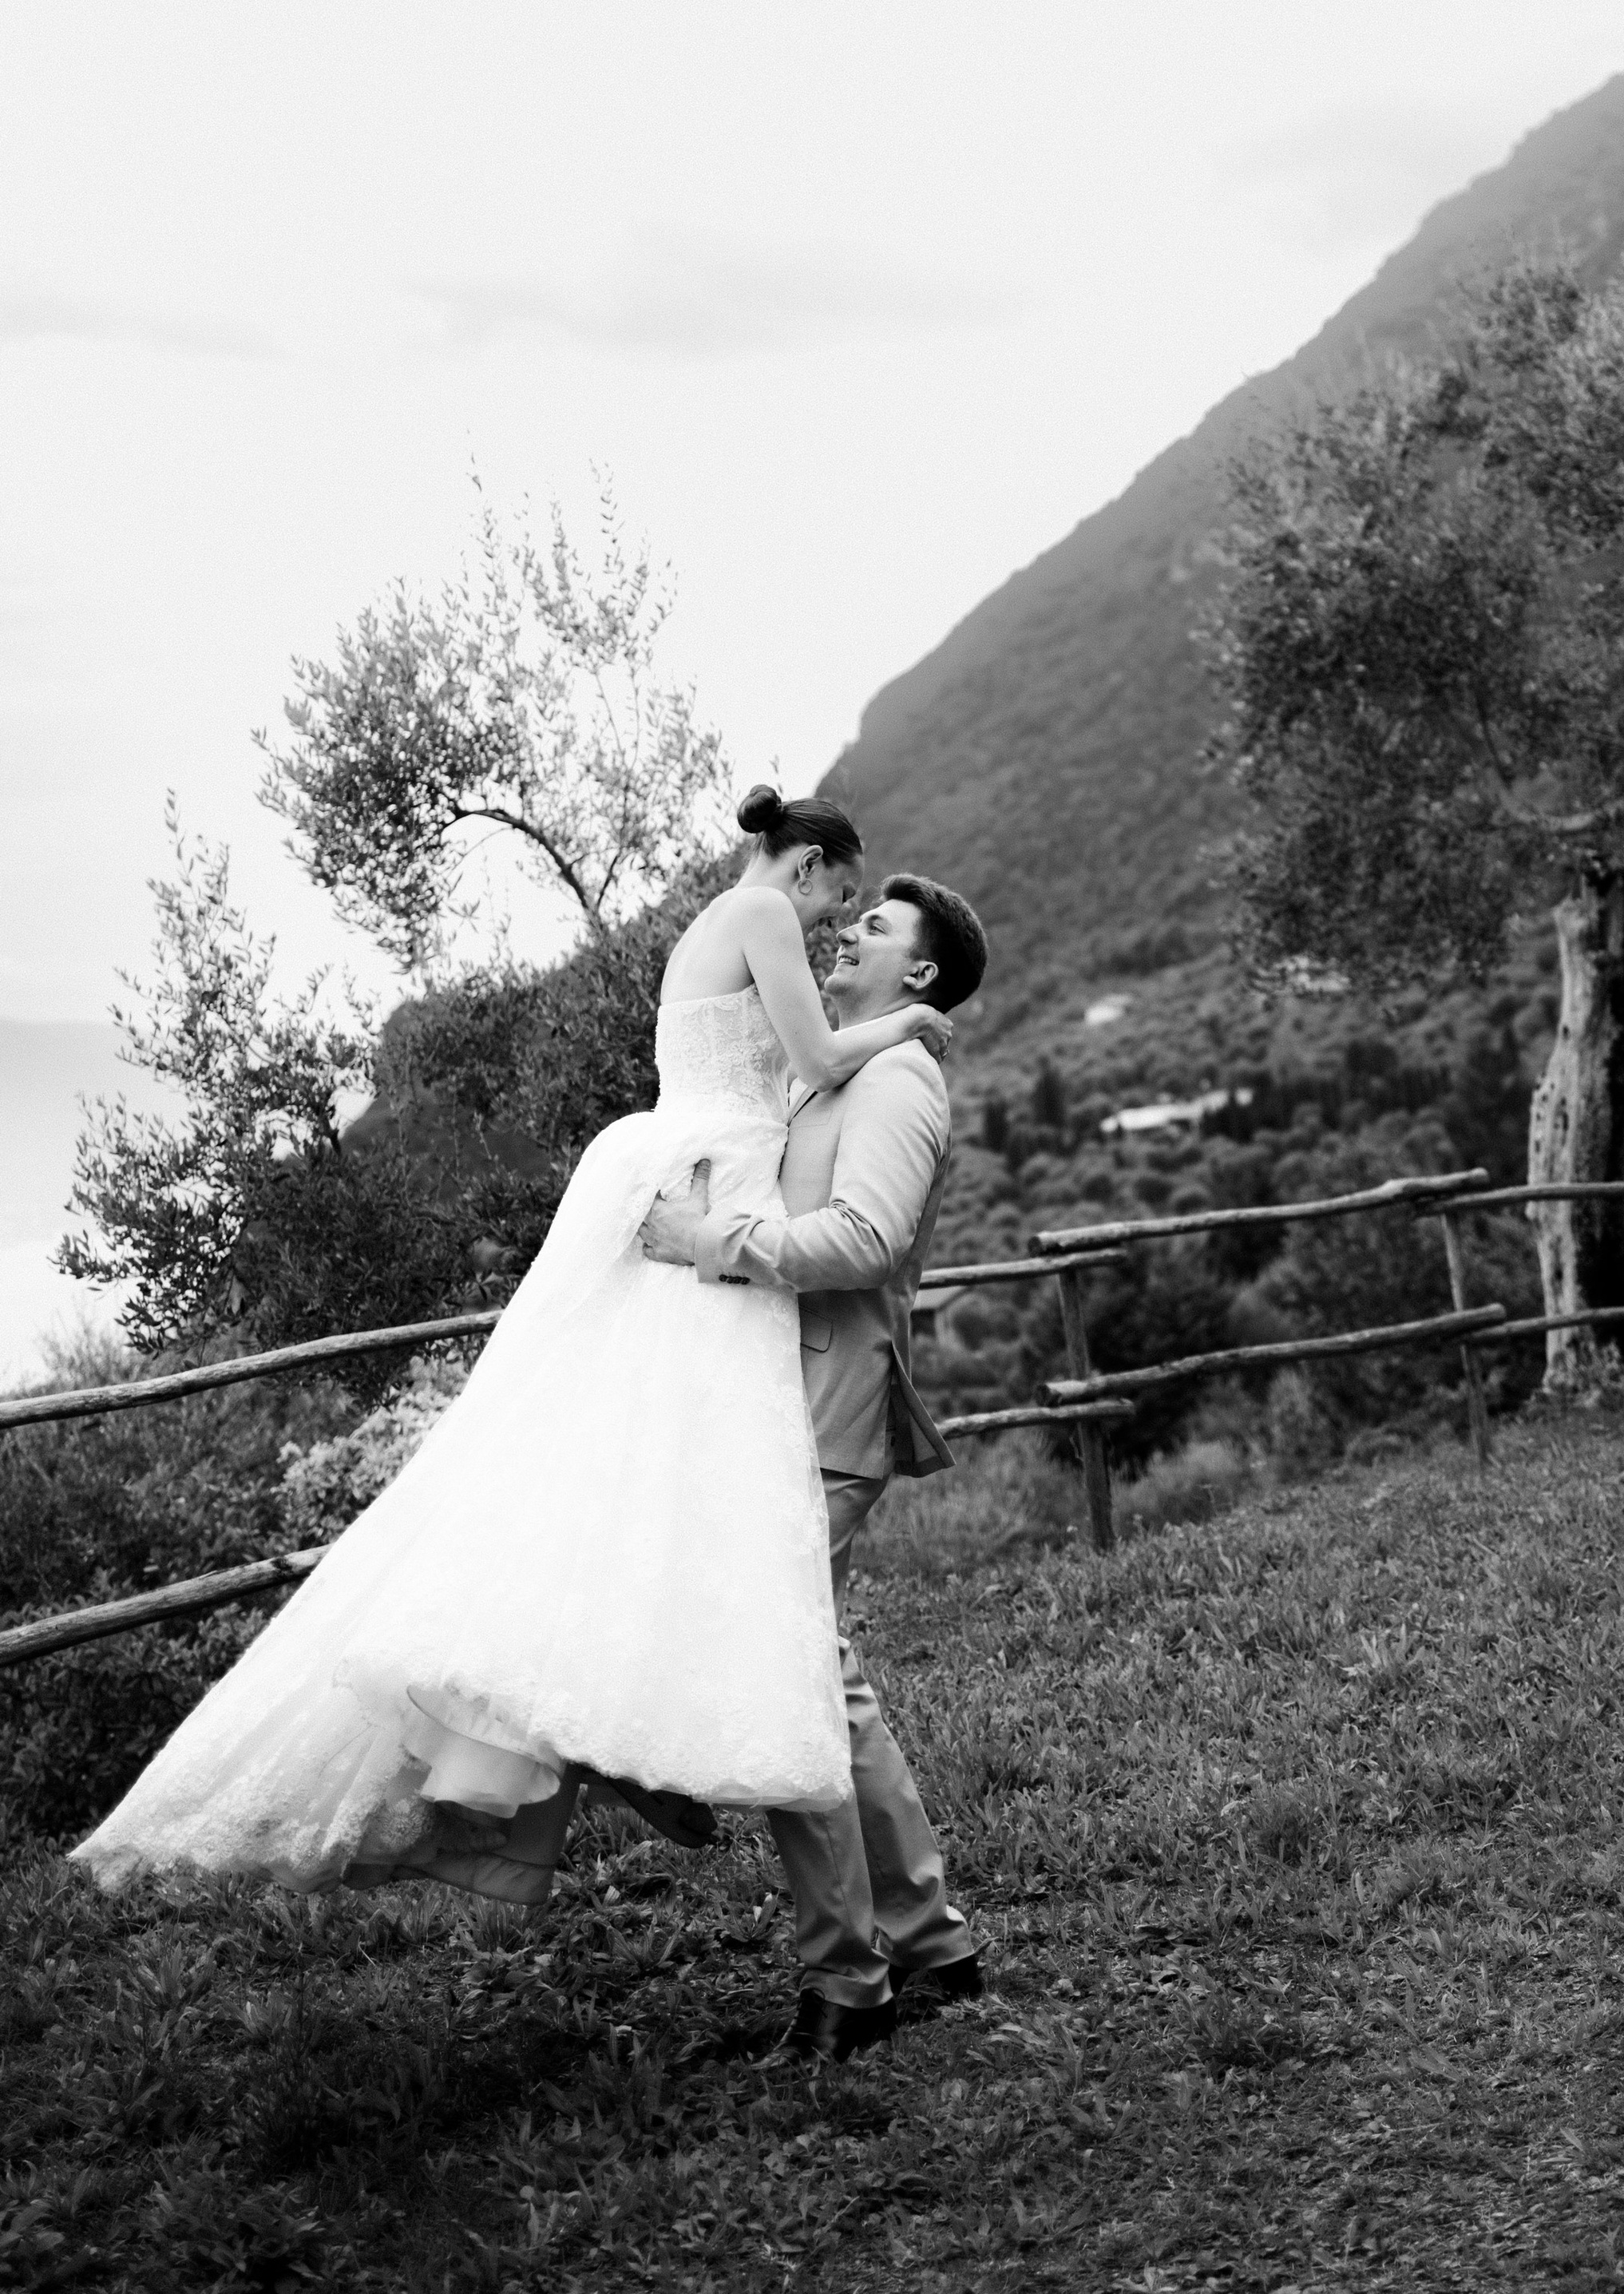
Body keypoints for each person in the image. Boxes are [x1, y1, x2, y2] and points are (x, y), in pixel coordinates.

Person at [72, 788, 949, 1904]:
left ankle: (618, 1745)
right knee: (686, 1524)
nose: (834, 919)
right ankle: (626, 1749)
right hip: (707, 1190)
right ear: (808, 864)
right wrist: (909, 1024)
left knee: (634, 1495)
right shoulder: (765, 914)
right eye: (841, 893)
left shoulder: (715, 924)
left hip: (694, 1177)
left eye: (860, 913)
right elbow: (817, 1059)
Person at [641, 866, 988, 2062]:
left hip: (828, 1418)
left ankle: (850, 1978)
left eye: (876, 926)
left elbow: (866, 1239)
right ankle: (929, 1940)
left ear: (920, 972)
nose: (846, 932)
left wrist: (705, 1241)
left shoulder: (898, 1079)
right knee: (824, 1687)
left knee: (788, 1686)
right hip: (778, 1411)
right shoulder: (829, 1069)